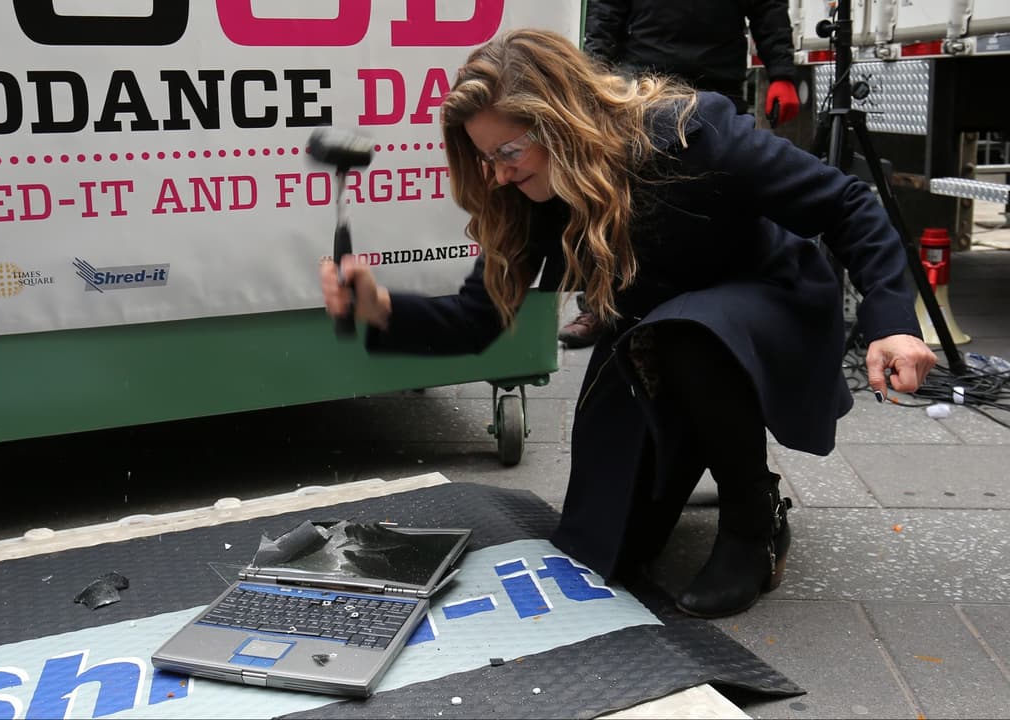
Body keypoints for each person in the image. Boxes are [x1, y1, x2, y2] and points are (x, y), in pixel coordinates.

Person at [318, 29, 936, 618]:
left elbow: (847, 204)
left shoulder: (692, 134)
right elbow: (478, 321)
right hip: (654, 339)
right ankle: (695, 447)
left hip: (766, 308)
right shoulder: (527, 194)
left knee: (689, 332)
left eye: (508, 152)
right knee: (605, 548)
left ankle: (753, 519)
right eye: (488, 158)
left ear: (559, 122)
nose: (500, 173)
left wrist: (892, 322)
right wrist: (382, 308)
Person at [560, 0, 801, 348]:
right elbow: (606, 11)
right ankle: (604, 305)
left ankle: (717, 307)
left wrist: (782, 73)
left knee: (719, 202)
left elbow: (767, 7)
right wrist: (594, 77)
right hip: (643, 84)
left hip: (716, 80)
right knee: (623, 203)